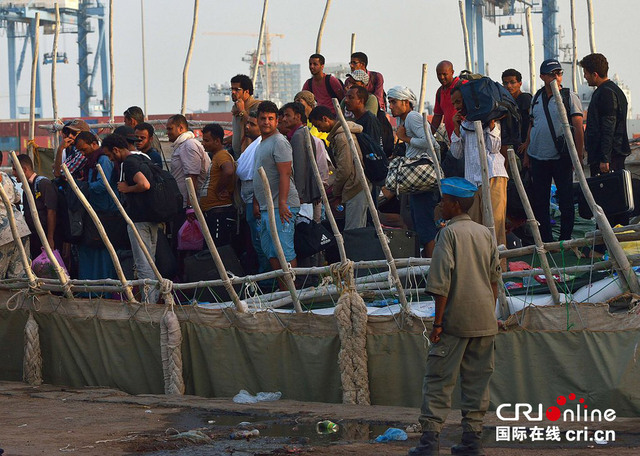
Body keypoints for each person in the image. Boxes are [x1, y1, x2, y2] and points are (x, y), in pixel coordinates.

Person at [409, 177, 499, 456]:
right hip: (484, 321)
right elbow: (495, 278)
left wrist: (437, 323)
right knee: (477, 382)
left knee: (438, 381)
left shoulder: (448, 234)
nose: (440, 205)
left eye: (444, 201)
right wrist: (489, 312)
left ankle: (429, 443)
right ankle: (472, 443)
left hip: (455, 321)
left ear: (455, 204)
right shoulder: (485, 233)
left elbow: (440, 284)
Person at [521, 59, 583, 242]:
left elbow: (578, 127)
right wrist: (526, 153)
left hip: (561, 157)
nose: (556, 76)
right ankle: (547, 240)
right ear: (542, 76)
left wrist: (578, 156)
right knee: (540, 201)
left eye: (559, 73)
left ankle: (565, 239)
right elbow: (532, 125)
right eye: (552, 73)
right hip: (538, 157)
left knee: (565, 200)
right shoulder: (537, 98)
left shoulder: (568, 96)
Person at [103, 133, 160, 303]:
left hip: (139, 220)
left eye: (110, 155)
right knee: (151, 262)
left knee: (143, 265)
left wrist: (127, 189)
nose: (111, 160)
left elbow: (144, 184)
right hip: (152, 217)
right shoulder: (144, 158)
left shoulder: (128, 163)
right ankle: (153, 301)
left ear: (116, 150)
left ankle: (148, 305)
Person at [450, 86, 508, 251]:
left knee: (495, 226)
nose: (456, 106)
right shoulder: (464, 124)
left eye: (459, 101)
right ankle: (480, 267)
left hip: (493, 175)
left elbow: (495, 147)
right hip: (472, 182)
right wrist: (455, 128)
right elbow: (456, 153)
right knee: (475, 226)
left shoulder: (492, 118)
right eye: (453, 103)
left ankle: (500, 270)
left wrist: (490, 125)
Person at [385, 86, 440, 257]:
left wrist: (405, 138)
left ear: (406, 102)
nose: (390, 106)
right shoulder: (404, 120)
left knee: (425, 225)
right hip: (416, 180)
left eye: (394, 102)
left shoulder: (412, 117)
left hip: (422, 179)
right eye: (389, 102)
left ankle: (432, 267)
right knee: (418, 223)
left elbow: (430, 142)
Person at [252, 101, 300, 287]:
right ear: (257, 119)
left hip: (282, 205)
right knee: (271, 252)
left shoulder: (279, 142)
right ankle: (284, 293)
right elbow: (259, 173)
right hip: (266, 207)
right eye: (263, 118)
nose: (266, 122)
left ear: (277, 120)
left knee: (284, 252)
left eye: (270, 118)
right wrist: (257, 201)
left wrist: (282, 203)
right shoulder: (261, 143)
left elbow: (285, 173)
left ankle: (292, 295)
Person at [581, 52, 631, 228]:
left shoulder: (606, 94)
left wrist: (604, 158)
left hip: (610, 157)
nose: (585, 77)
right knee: (614, 201)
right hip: (611, 154)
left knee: (609, 202)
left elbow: (608, 128)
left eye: (586, 73)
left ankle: (604, 245)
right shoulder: (612, 91)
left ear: (595, 74)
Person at [309, 105, 368, 231]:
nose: (319, 130)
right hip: (356, 185)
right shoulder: (341, 134)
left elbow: (345, 169)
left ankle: (353, 251)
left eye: (318, 125)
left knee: (354, 230)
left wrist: (336, 191)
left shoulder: (342, 137)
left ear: (325, 119)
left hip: (355, 186)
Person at [73, 131, 118, 282]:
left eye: (84, 150)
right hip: (94, 212)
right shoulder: (91, 162)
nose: (82, 154)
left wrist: (84, 187)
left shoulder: (103, 160)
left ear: (94, 144)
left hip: (105, 213)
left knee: (103, 252)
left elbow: (103, 184)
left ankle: (104, 288)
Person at [167, 114, 211, 252]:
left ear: (181, 128)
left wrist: (190, 206)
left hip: (188, 205)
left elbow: (192, 176)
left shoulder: (188, 145)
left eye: (170, 129)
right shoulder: (182, 145)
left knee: (188, 246)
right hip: (184, 203)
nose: (167, 132)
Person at [236, 111, 270, 274]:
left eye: (252, 124)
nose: (247, 127)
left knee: (260, 239)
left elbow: (261, 174)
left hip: (255, 197)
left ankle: (268, 277)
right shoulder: (253, 144)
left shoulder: (261, 144)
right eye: (247, 123)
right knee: (256, 240)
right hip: (249, 196)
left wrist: (256, 201)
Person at [14, 154, 58, 259]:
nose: (13, 173)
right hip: (34, 236)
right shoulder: (27, 187)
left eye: (15, 170)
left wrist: (50, 238)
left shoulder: (43, 184)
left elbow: (51, 211)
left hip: (45, 235)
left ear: (24, 169)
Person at [199, 123, 236, 246]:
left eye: (207, 140)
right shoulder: (216, 157)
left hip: (219, 212)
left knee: (218, 249)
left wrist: (219, 189)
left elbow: (229, 170)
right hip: (212, 211)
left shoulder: (222, 155)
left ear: (217, 141)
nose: (203, 143)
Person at [280, 102, 320, 207]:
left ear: (297, 116)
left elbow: (299, 167)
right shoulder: (302, 132)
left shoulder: (298, 136)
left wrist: (299, 194)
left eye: (287, 115)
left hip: (302, 194)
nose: (284, 119)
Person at [0, 167, 31, 278]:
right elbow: (17, 199)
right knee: (19, 274)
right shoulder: (6, 177)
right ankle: (20, 295)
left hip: (3, 233)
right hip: (20, 228)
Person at [230, 74, 261, 157]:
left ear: (246, 91)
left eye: (237, 89)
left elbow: (255, 129)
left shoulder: (257, 106)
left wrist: (242, 111)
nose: (233, 92)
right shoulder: (235, 109)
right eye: (232, 89)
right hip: (238, 156)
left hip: (250, 156)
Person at [502, 68, 532, 148]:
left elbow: (533, 121)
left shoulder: (525, 98)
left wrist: (527, 142)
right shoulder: (506, 102)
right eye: (505, 83)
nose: (508, 86)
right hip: (516, 144)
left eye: (512, 82)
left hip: (527, 144)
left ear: (520, 83)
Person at [430, 61, 460, 139]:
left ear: (452, 72)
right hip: (452, 139)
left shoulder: (462, 86)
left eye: (444, 74)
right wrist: (429, 136)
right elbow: (437, 116)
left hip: (466, 137)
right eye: (439, 74)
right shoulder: (440, 92)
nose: (442, 77)